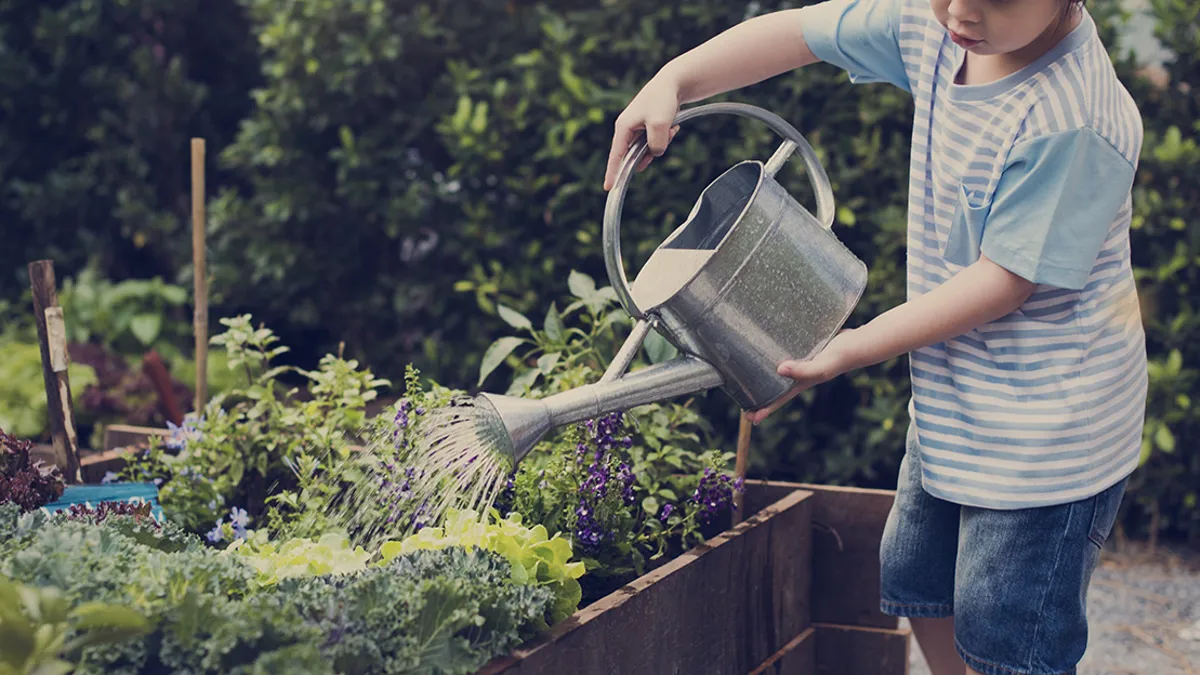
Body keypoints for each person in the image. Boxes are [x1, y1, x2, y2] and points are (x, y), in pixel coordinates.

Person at [603, 1, 1146, 673]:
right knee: (918, 584)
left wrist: (854, 345)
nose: (961, 10)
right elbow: (802, 33)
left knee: (1007, 634)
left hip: (1048, 439)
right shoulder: (937, 26)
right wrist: (676, 80)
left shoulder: (1076, 118)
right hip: (958, 404)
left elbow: (1004, 280)